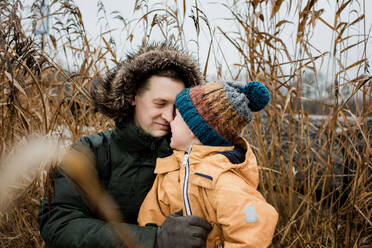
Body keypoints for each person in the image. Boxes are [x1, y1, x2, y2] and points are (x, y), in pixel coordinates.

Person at [38, 43, 213, 248]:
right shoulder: (92, 151)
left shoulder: (191, 156)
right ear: (132, 97)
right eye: (160, 103)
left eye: (176, 107)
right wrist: (154, 239)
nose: (168, 116)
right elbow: (59, 223)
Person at [138, 81, 279, 247]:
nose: (170, 121)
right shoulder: (169, 172)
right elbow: (149, 218)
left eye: (177, 116)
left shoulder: (224, 182)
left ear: (193, 129)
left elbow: (254, 230)